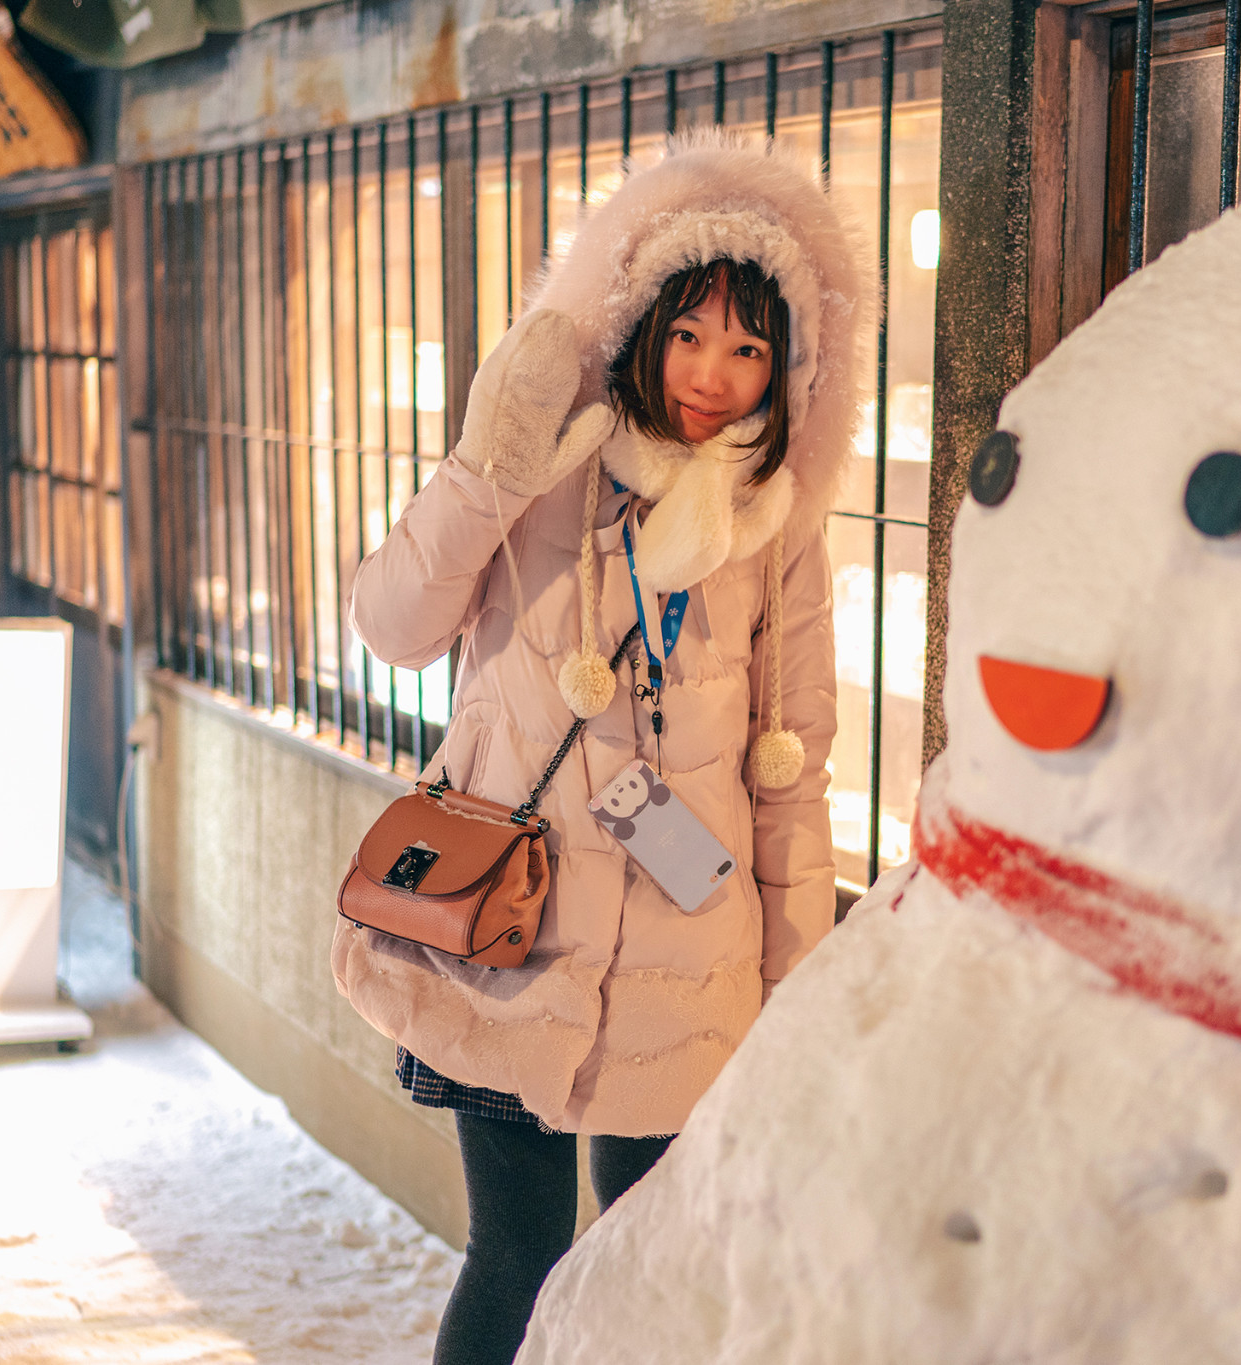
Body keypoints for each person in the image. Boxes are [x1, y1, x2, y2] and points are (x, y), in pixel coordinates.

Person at [333, 132, 870, 1365]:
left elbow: (794, 775)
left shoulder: (777, 530)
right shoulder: (547, 465)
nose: (715, 374)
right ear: (638, 323)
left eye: (749, 346)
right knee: (514, 1259)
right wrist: (486, 464)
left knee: (648, 1277)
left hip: (690, 960)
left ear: (784, 366)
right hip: (506, 934)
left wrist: (791, 997)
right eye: (690, 334)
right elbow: (391, 628)